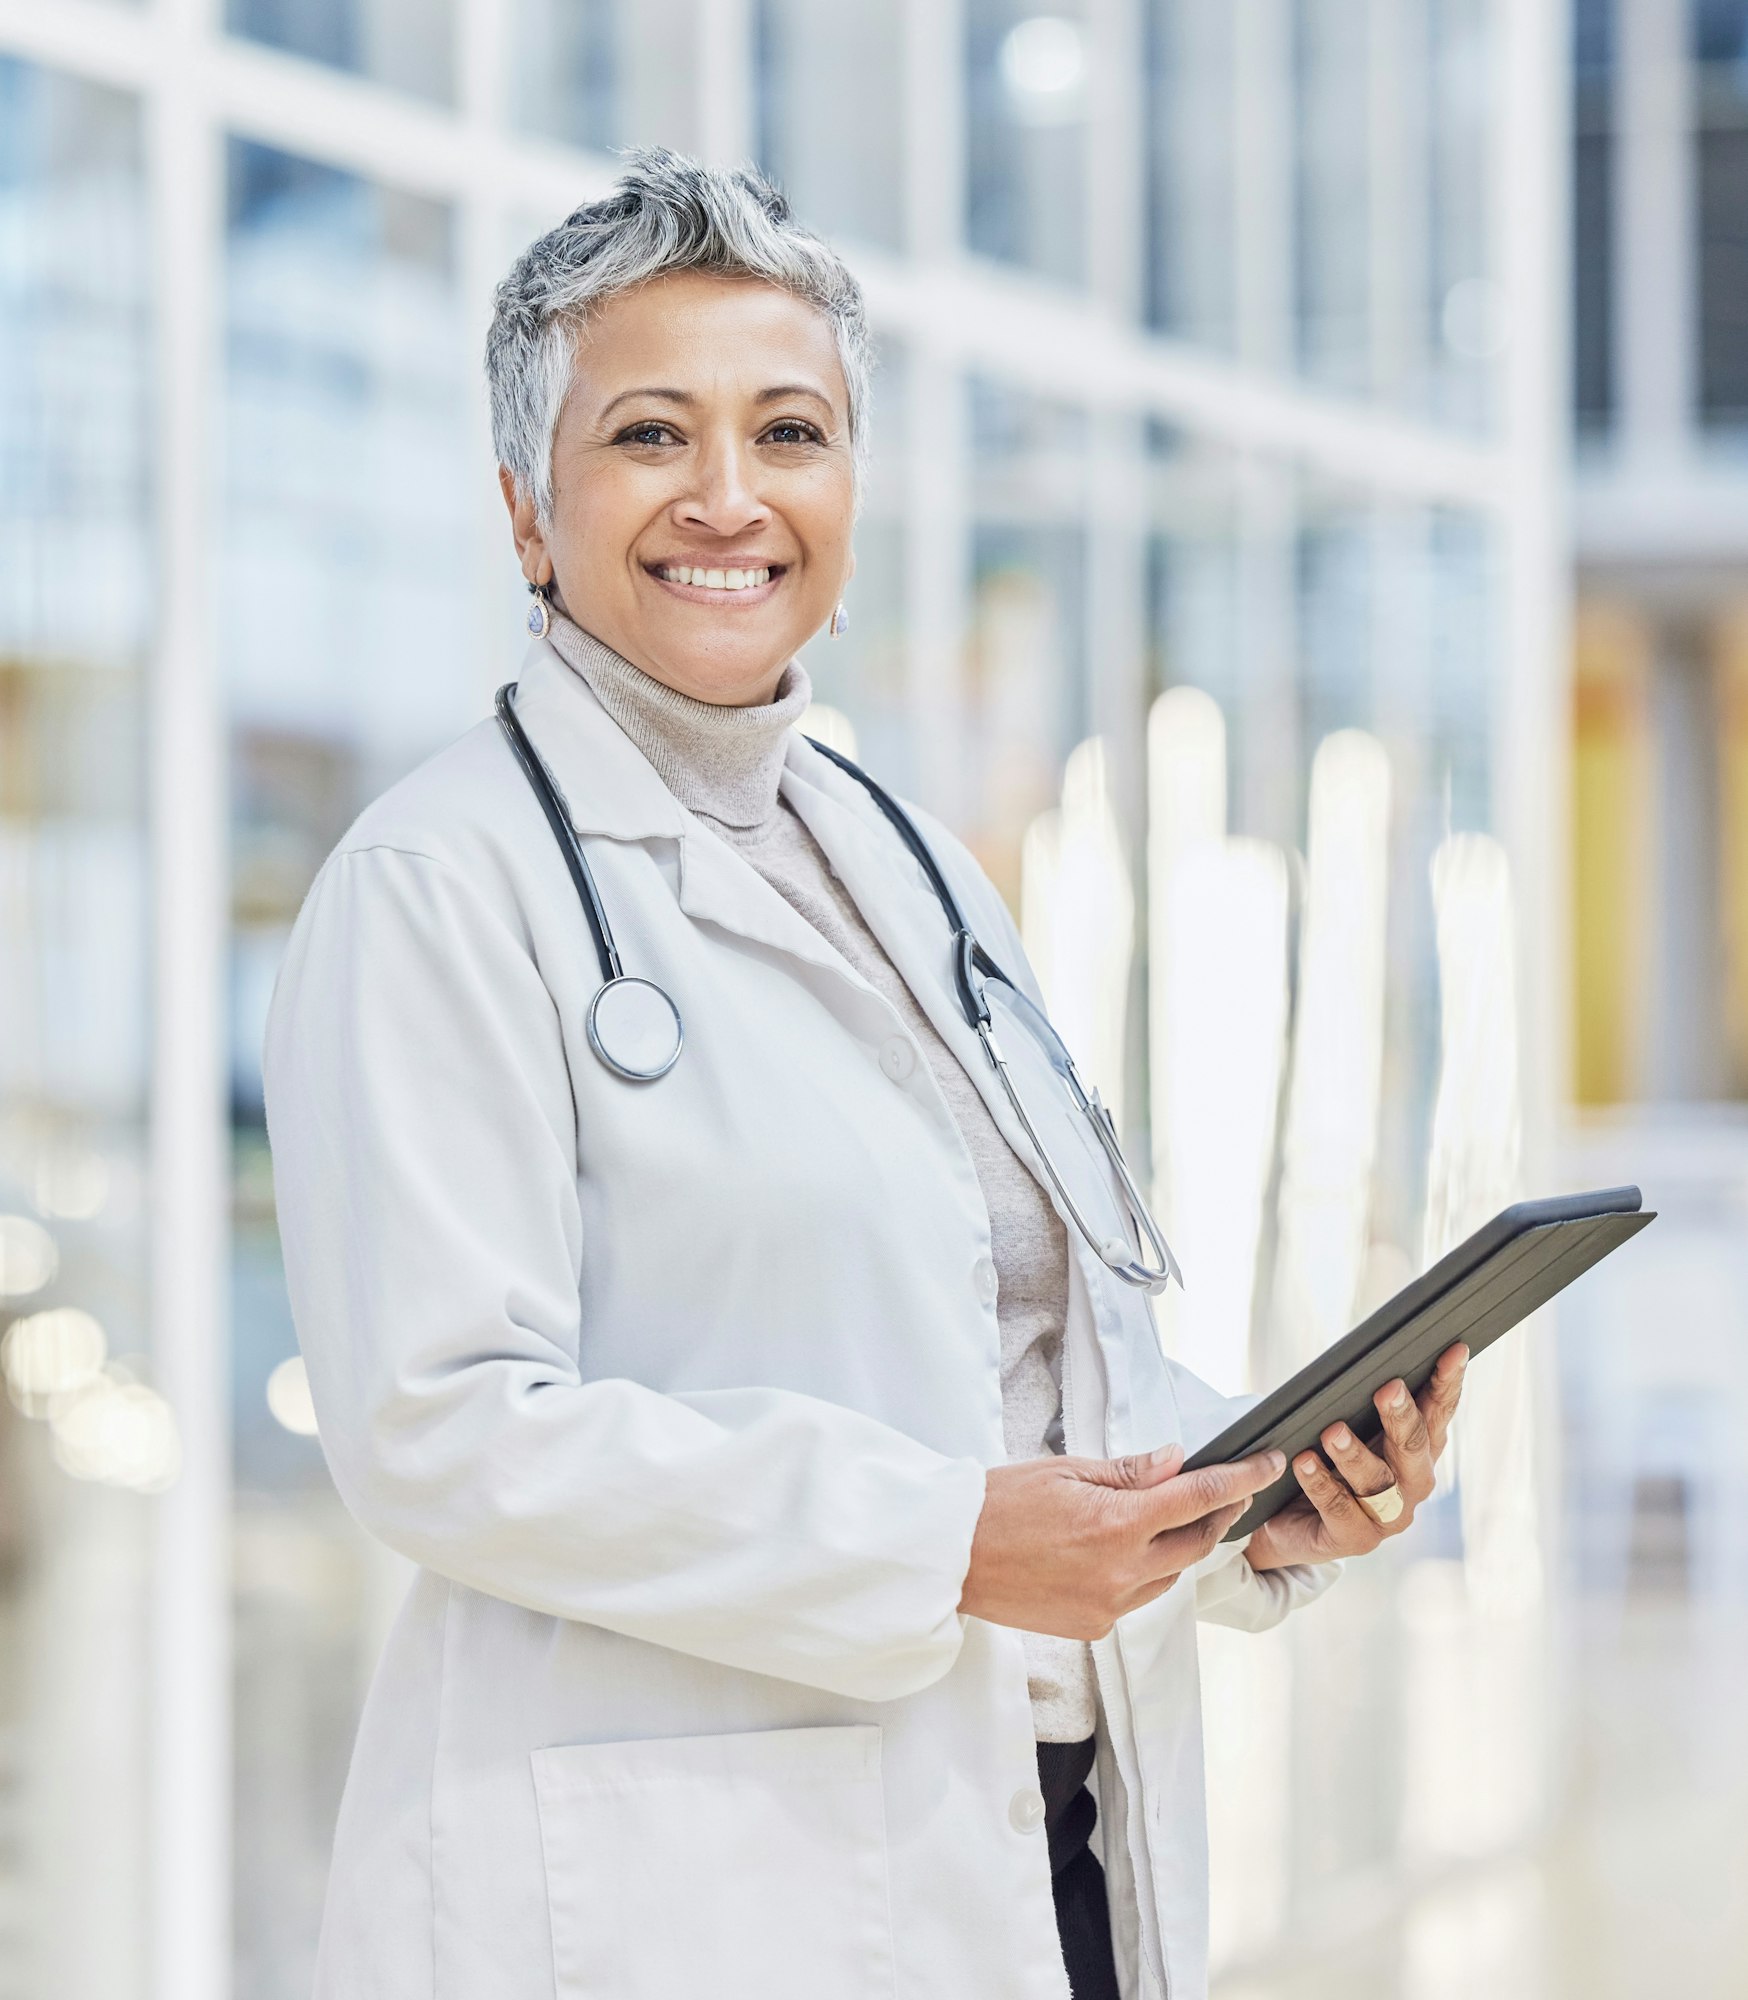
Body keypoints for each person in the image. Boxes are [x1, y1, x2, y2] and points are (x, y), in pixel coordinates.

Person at [263, 149, 1469, 2000]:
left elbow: (1002, 1333)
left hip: (1045, 1839)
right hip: (688, 1897)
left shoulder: (900, 851)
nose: (730, 498)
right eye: (652, 436)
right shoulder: (441, 883)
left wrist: (1249, 1503)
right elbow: (444, 1431)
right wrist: (945, 1544)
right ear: (528, 511)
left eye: (793, 431)